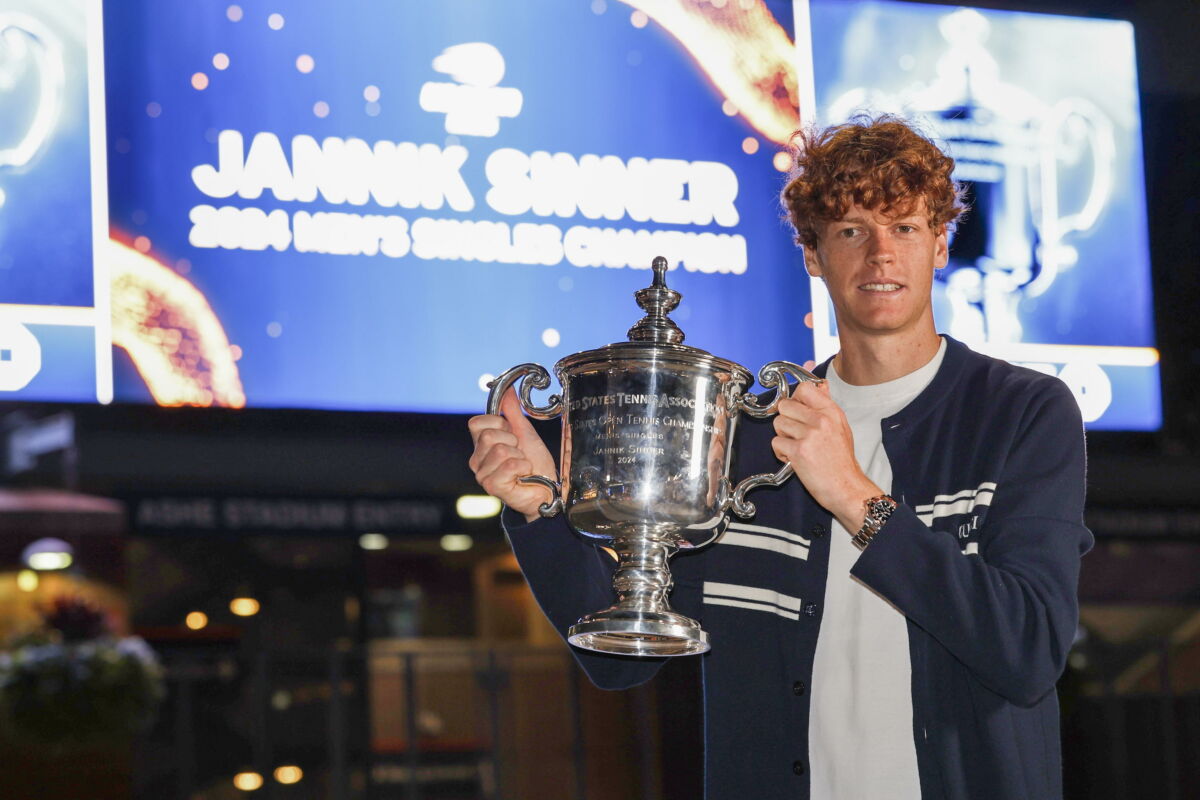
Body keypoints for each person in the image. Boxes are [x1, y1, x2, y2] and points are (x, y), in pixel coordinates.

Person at [468, 114, 1092, 800]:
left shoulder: (1022, 413)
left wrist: (854, 495)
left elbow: (1029, 651)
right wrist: (539, 508)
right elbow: (623, 660)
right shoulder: (747, 440)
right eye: (852, 230)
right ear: (813, 256)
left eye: (905, 228)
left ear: (940, 246)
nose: (881, 254)